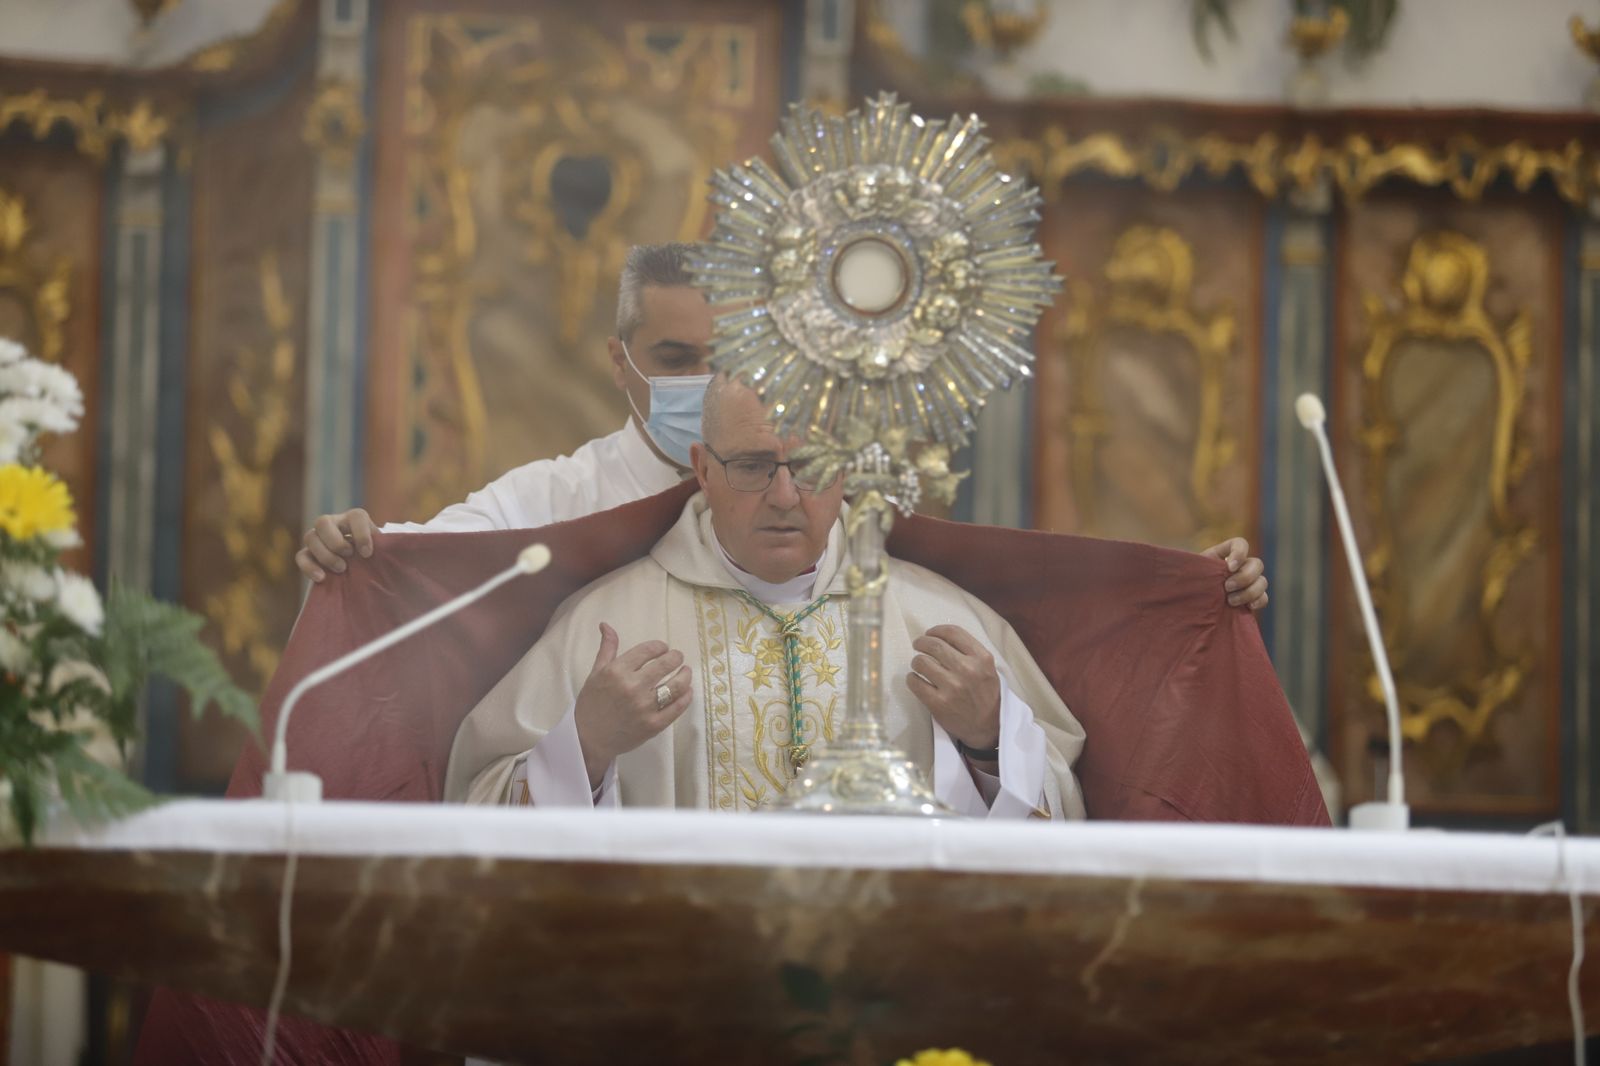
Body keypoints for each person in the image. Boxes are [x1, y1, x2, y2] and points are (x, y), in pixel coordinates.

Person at [295, 241, 1272, 612]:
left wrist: (1191, 588)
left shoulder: (828, 492)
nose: (706, 378)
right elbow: (418, 571)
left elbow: (1025, 592)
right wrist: (355, 549)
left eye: (727, 354)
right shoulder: (559, 499)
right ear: (619, 359)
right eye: (676, 360)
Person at [446, 375, 1087, 818]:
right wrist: (583, 747)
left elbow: (1060, 829)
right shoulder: (606, 627)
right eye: (753, 466)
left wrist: (987, 742)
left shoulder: (942, 620)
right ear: (702, 469)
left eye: (809, 465)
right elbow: (479, 817)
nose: (784, 496)